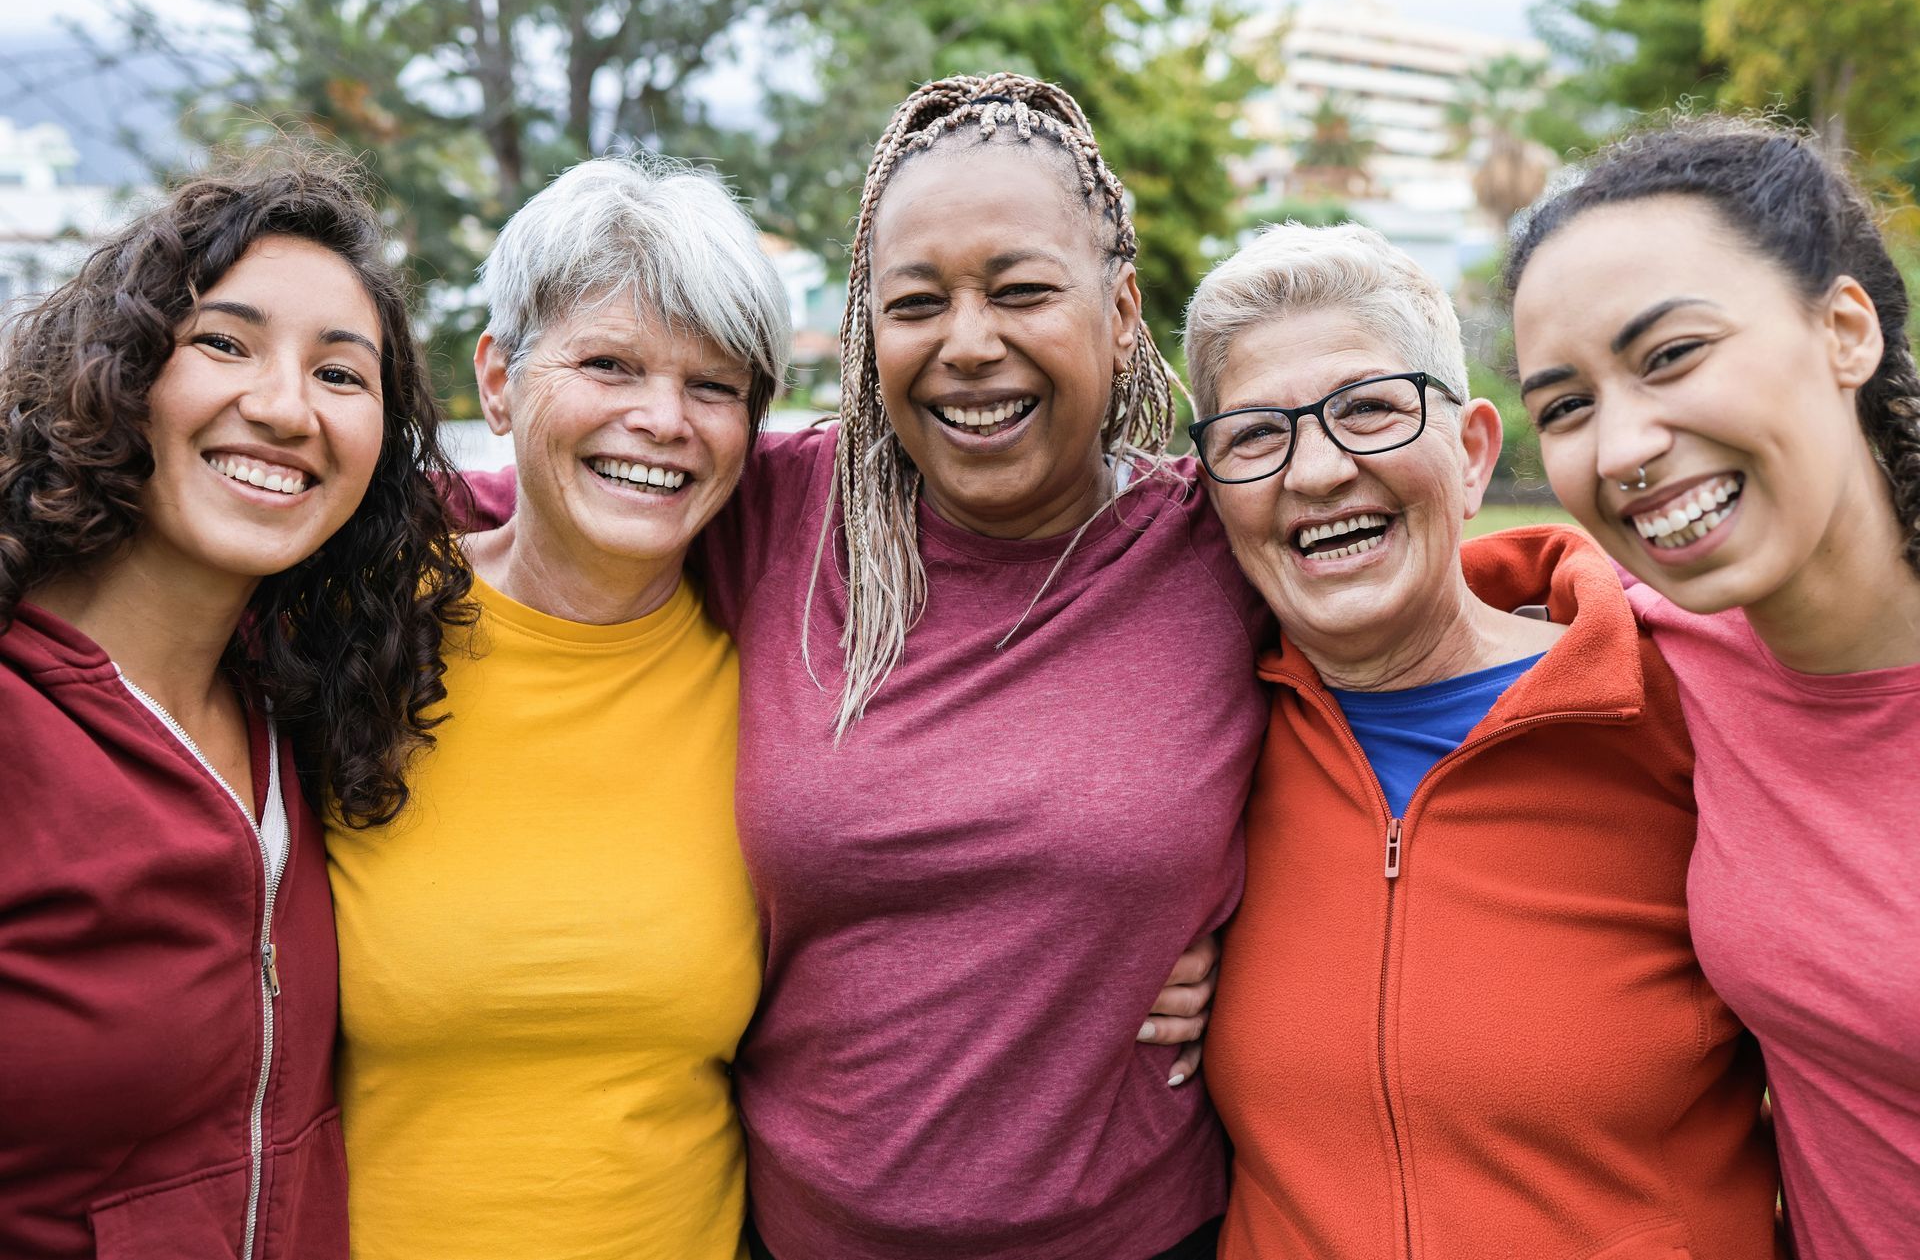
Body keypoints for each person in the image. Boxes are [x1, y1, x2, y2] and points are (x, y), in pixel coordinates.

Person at [461, 73, 1262, 1259]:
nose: (969, 344)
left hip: (1144, 1234)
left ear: (1123, 307)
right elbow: (495, 504)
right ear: (866, 328)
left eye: (1025, 291)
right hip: (800, 1235)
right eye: (917, 301)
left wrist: (1256, 946)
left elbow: (1412, 663)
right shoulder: (776, 513)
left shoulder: (1220, 544)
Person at [1185, 222, 1781, 1257]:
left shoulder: (1689, 701)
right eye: (1253, 436)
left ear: (1470, 454)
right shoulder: (1196, 753)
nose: (1318, 471)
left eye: (1369, 409)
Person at [0, 150, 470, 1259]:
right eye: (225, 342)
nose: (283, 408)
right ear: (116, 371)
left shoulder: (299, 700)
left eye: (342, 376)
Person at [326, 156, 789, 1260]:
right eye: (609, 364)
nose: (663, 419)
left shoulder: (780, 684)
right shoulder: (344, 635)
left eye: (714, 385)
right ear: (497, 378)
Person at [1506, 115, 1920, 1258]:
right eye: (1568, 406)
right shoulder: (1660, 654)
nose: (1626, 444)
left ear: (1844, 331)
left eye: (1672, 355)